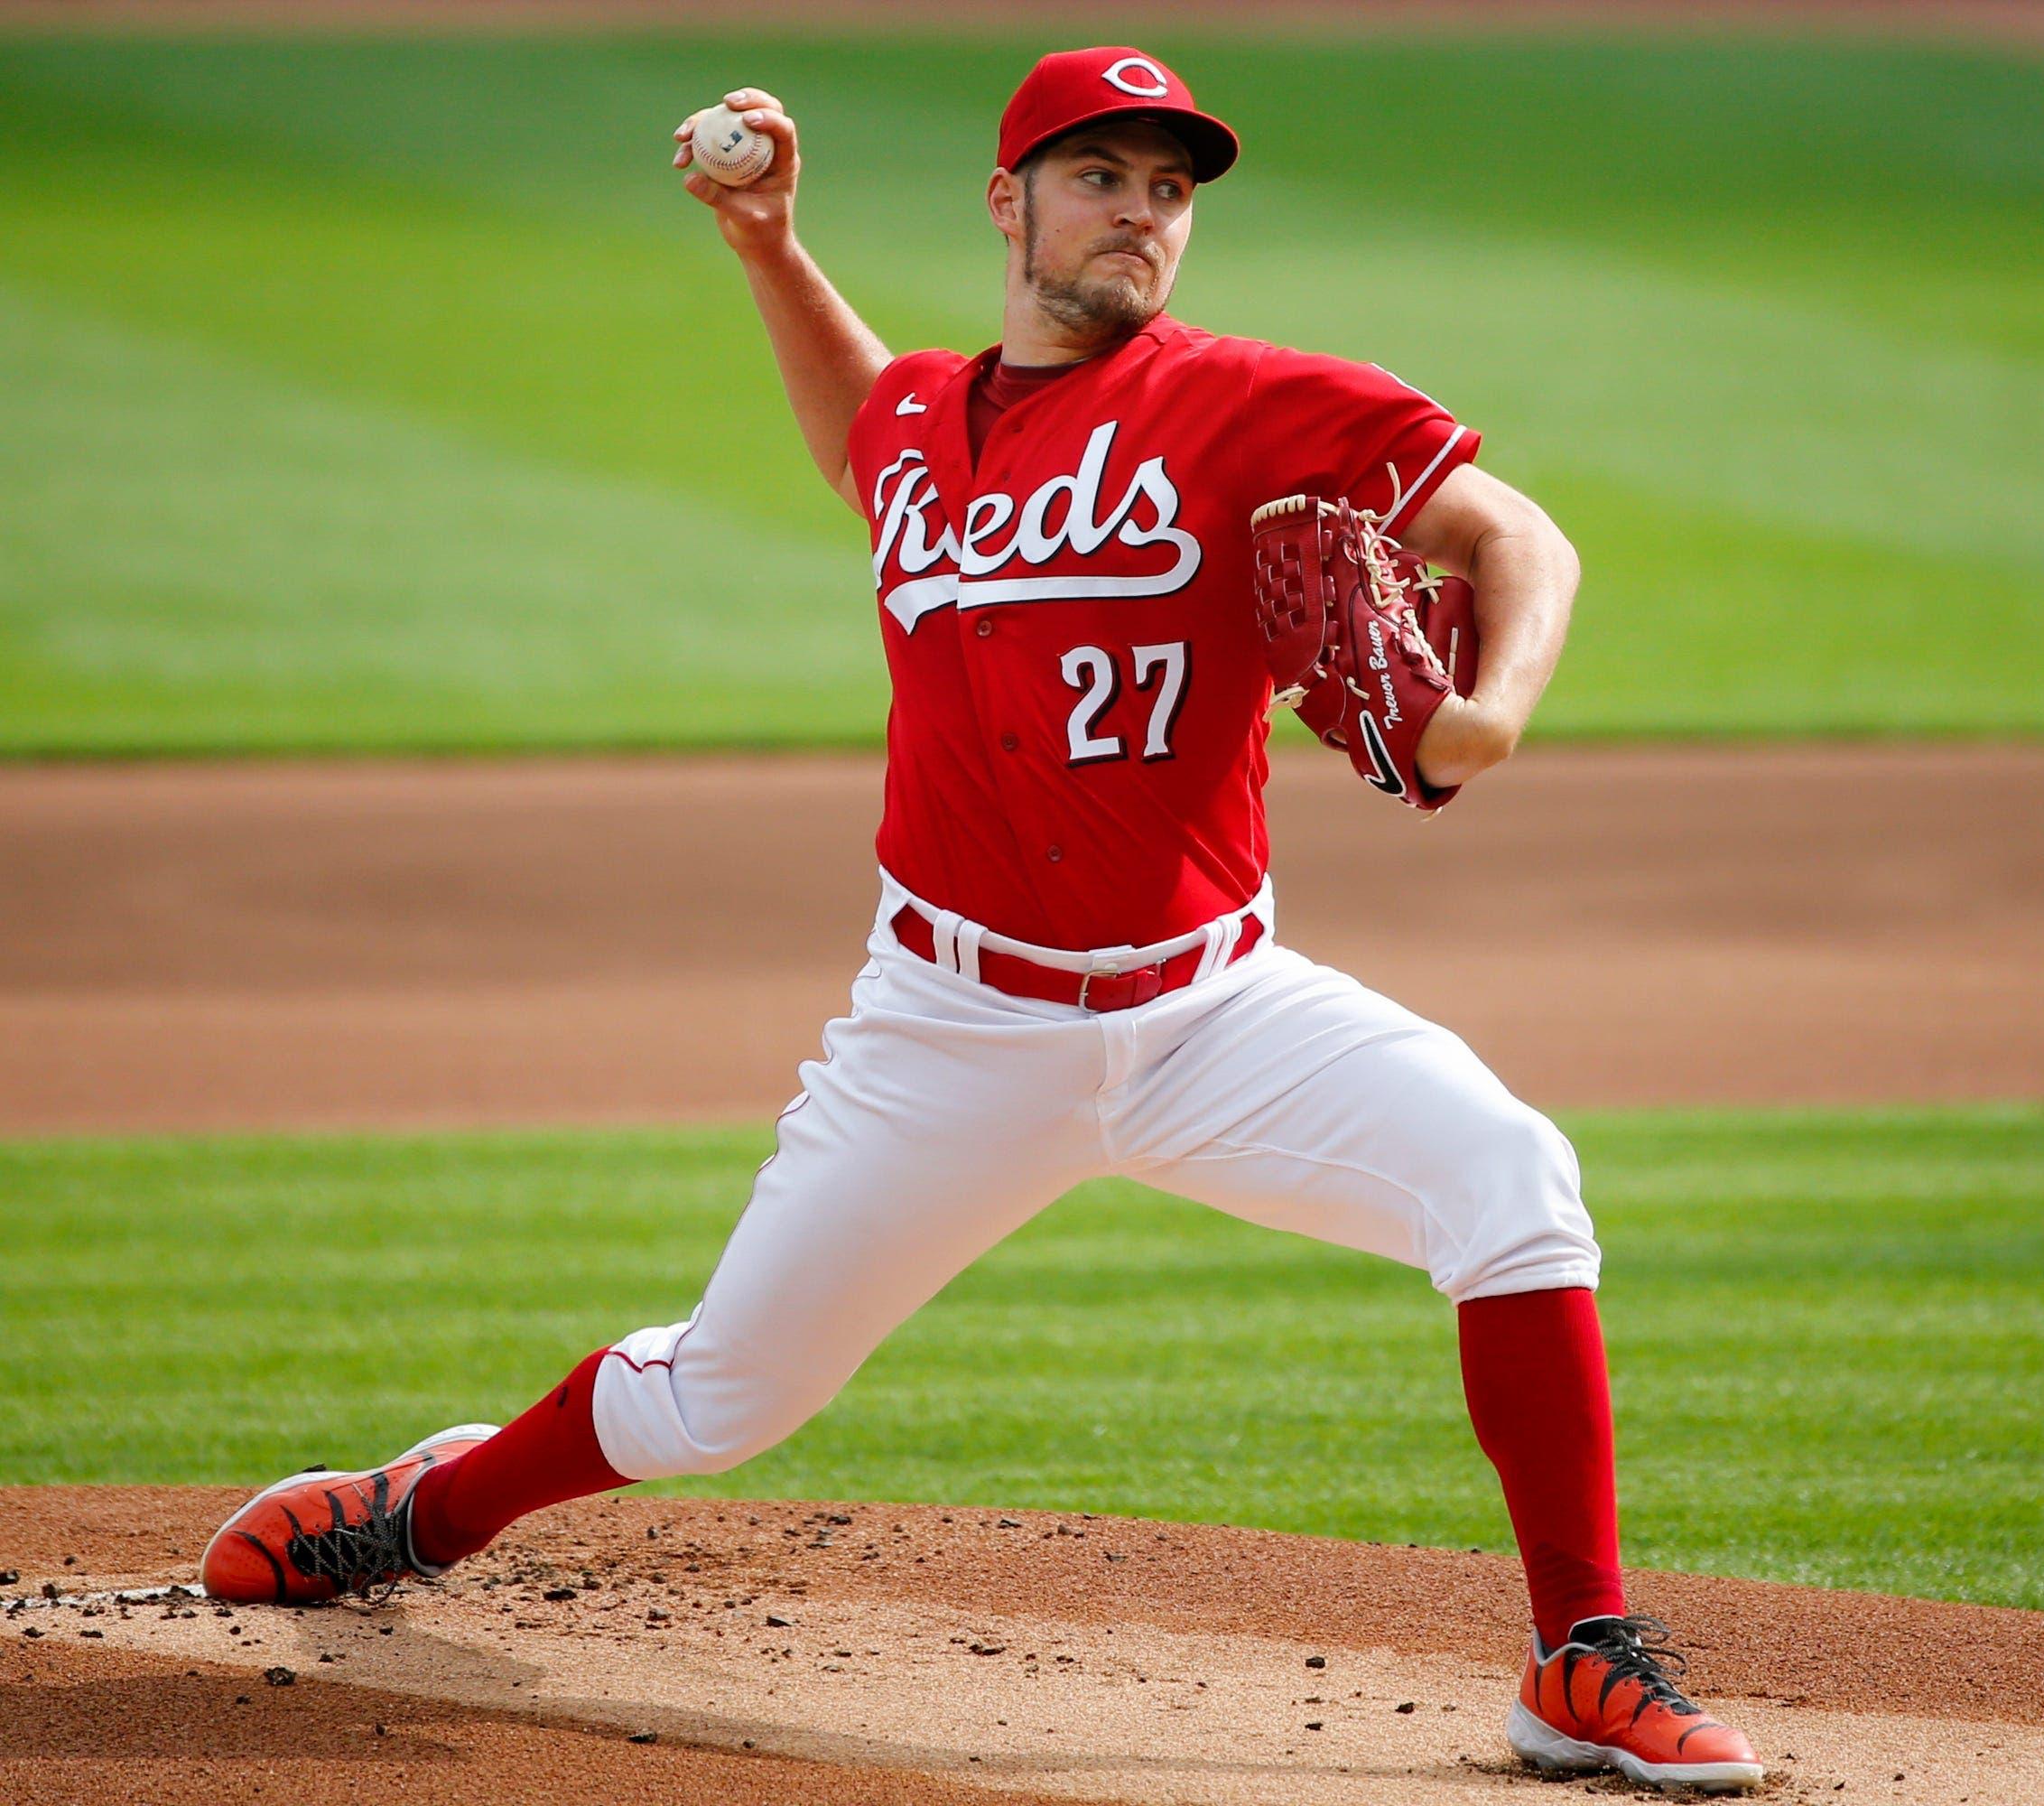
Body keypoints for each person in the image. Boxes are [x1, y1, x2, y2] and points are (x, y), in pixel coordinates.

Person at [200, 45, 1761, 1793]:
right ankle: (425, 1508)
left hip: (1213, 1013)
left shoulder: (1250, 404)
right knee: (717, 1397)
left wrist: (1491, 709)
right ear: (1007, 200)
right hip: (947, 1031)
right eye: (1103, 176)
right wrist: (770, 249)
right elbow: (858, 430)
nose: (1144, 216)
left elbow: (1519, 537)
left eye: (1171, 189)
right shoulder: (923, 430)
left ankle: (1579, 1655)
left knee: (1514, 1174)